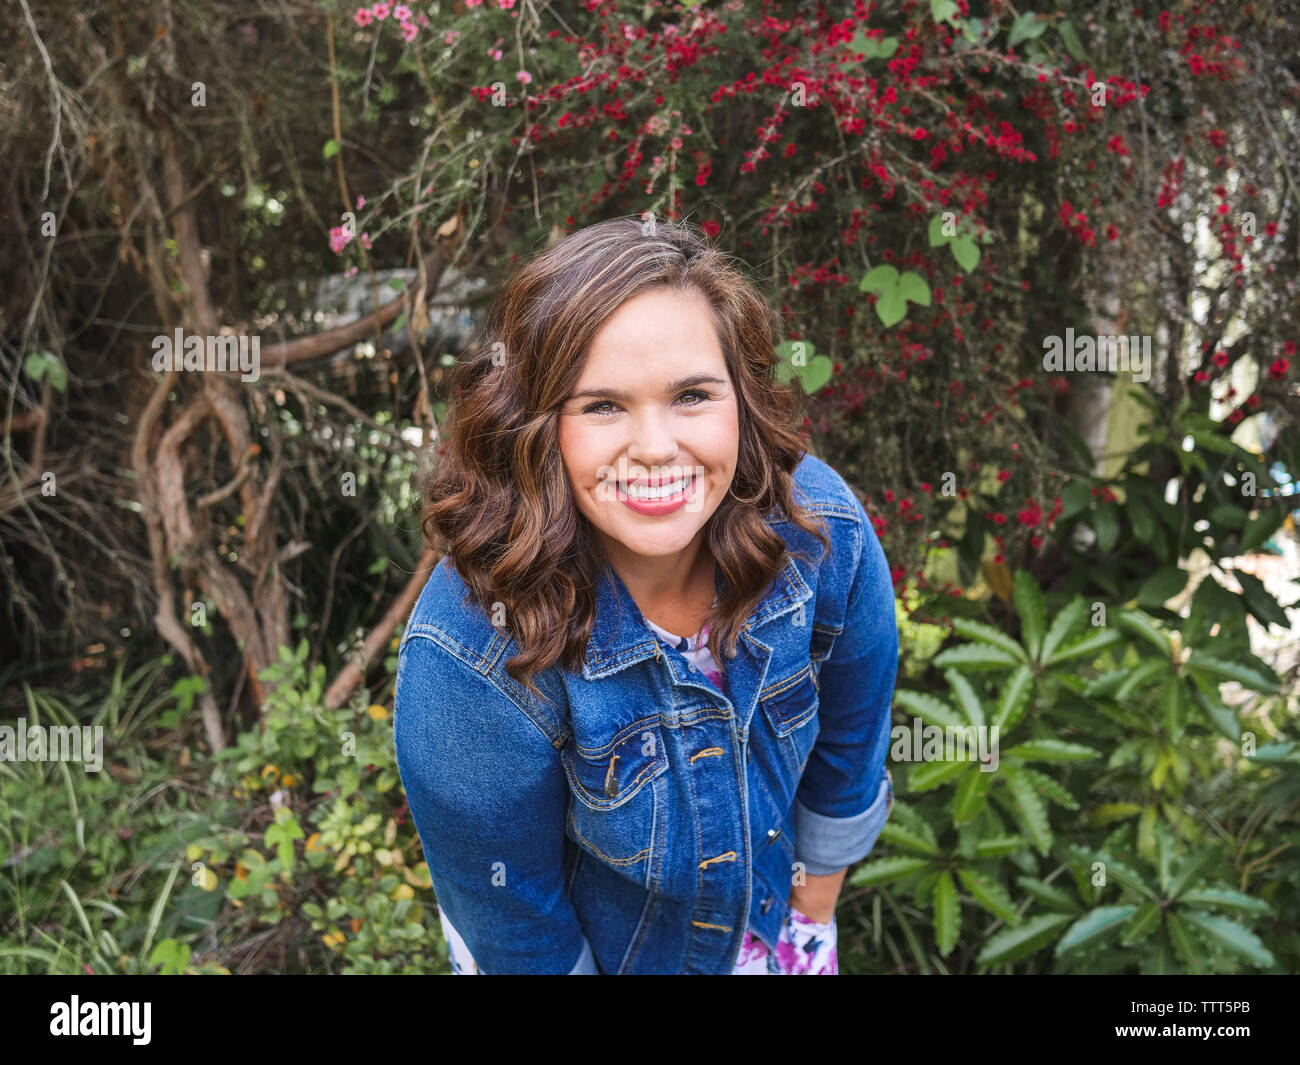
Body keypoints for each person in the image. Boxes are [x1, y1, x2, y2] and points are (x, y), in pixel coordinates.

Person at [393, 215, 898, 974]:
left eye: (693, 394)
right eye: (601, 405)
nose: (657, 446)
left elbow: (847, 755)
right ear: (535, 426)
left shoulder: (821, 535)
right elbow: (514, 922)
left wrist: (808, 922)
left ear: (743, 399)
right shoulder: (471, 653)